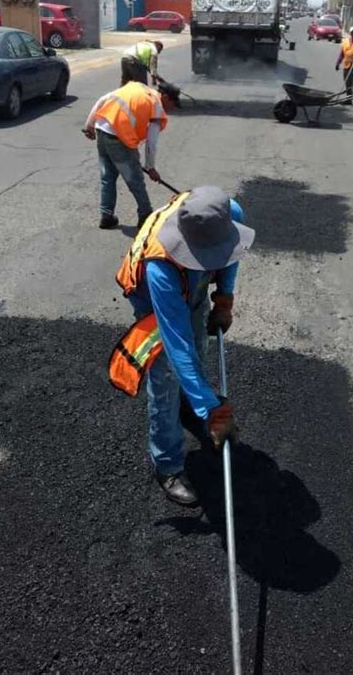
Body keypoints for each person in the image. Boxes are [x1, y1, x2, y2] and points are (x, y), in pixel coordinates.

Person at [109, 185, 256, 506]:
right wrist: (213, 409)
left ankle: (190, 403)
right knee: (166, 376)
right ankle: (168, 464)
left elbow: (230, 252)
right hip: (152, 298)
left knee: (198, 343)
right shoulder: (160, 269)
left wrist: (224, 299)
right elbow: (177, 349)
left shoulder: (228, 213)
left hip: (193, 287)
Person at [82, 80, 172, 230]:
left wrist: (89, 125)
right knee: (135, 180)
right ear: (167, 98)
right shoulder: (156, 106)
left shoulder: (138, 87)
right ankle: (145, 215)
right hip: (119, 138)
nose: (171, 110)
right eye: (173, 105)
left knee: (108, 177)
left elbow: (103, 99)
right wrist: (151, 168)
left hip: (102, 129)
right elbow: (151, 143)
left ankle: (106, 215)